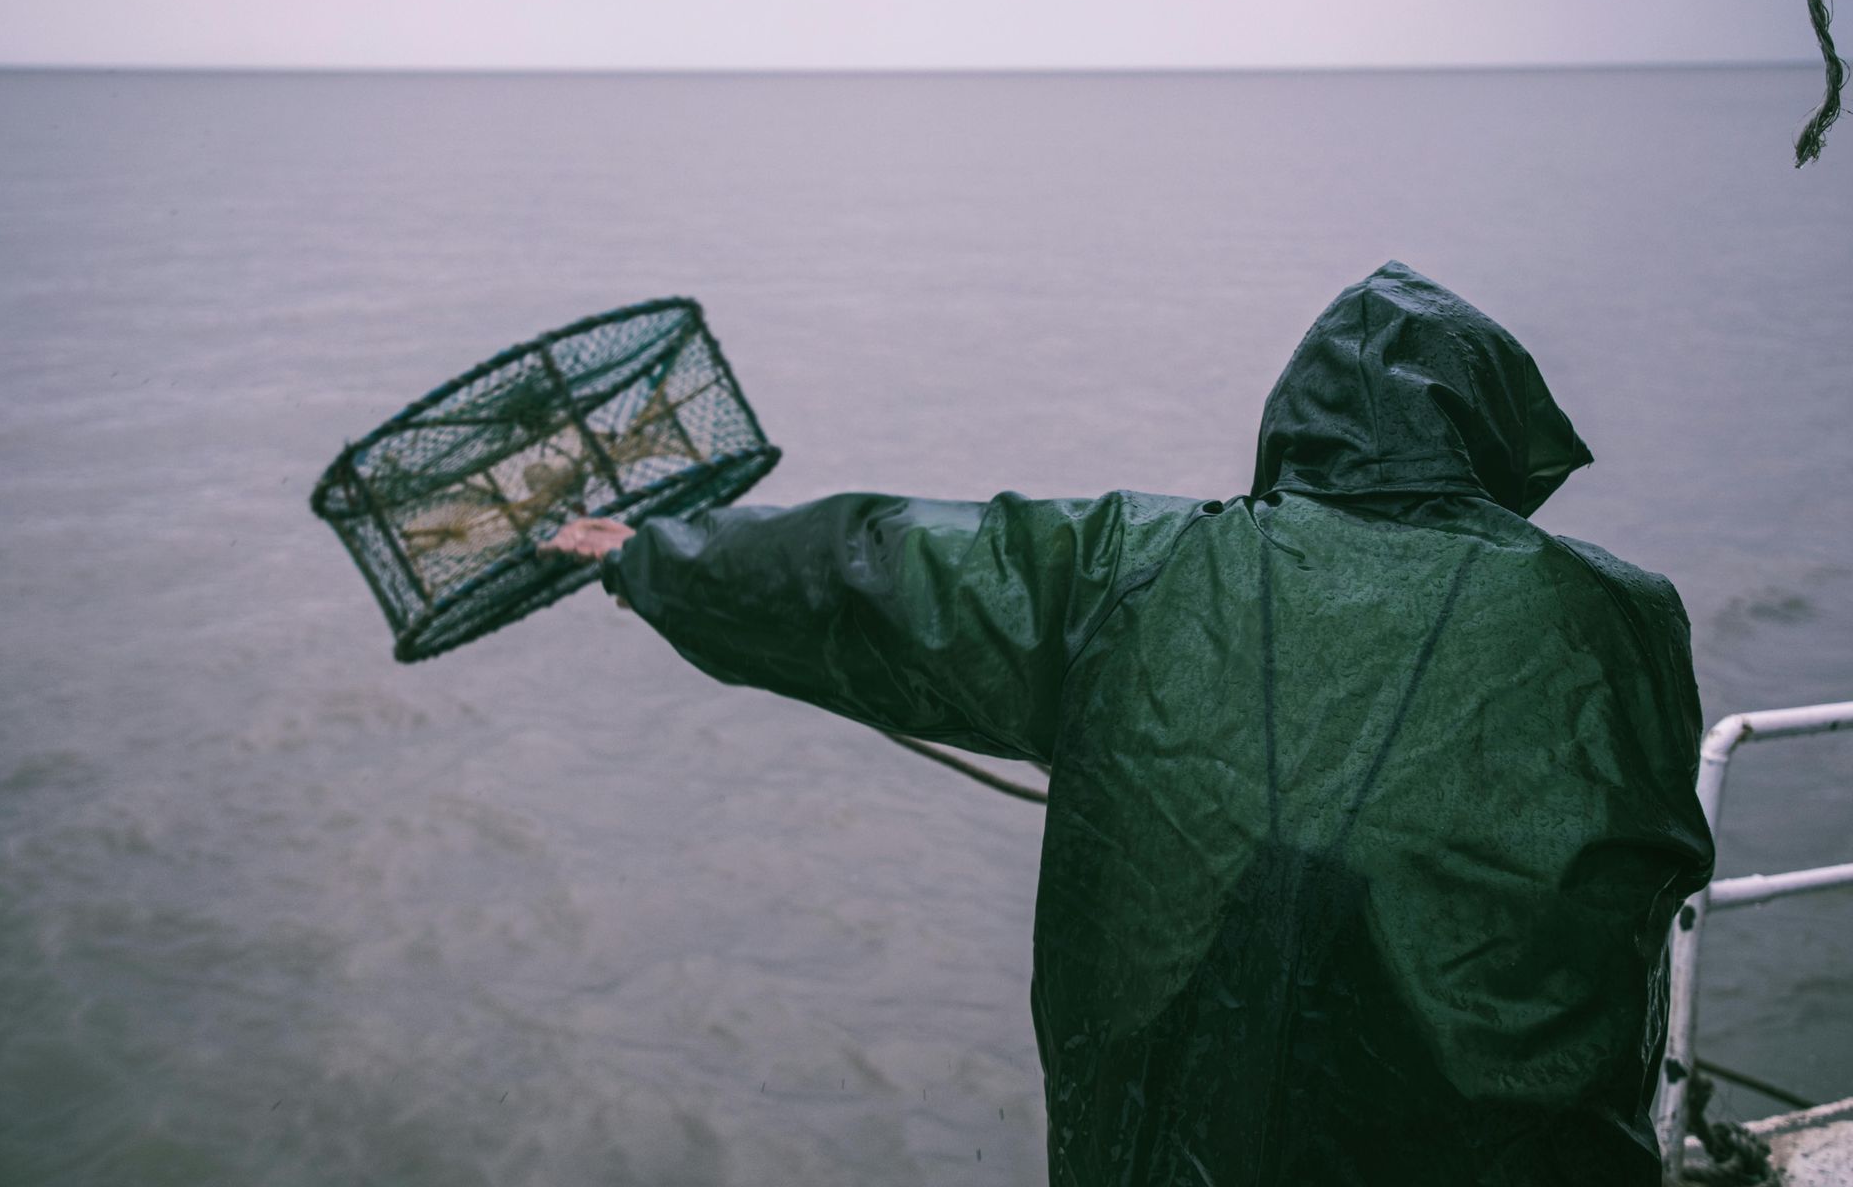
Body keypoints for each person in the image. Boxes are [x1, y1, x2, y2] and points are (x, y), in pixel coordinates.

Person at [542, 261, 1715, 1186]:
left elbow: (874, 570)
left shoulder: (1134, 571)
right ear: (1492, 428)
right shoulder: (1612, 614)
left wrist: (653, 554)